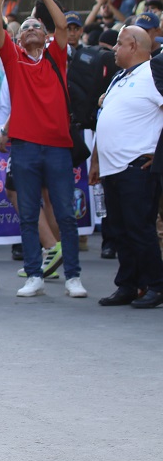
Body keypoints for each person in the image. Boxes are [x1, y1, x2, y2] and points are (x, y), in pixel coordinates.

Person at [0, 0, 86, 299]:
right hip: (26, 147)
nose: (31, 28)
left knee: (65, 215)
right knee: (29, 215)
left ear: (45, 37)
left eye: (37, 26)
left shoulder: (55, 57)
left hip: (58, 147)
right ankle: (34, 275)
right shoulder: (14, 60)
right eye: (26, 27)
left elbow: (62, 24)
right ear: (19, 39)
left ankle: (73, 276)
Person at [90, 27, 163, 308]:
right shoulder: (119, 78)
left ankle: (156, 284)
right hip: (111, 167)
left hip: (136, 168)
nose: (114, 50)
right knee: (119, 230)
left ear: (133, 46)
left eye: (119, 44)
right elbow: (105, 117)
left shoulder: (153, 74)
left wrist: (159, 154)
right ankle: (129, 284)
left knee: (139, 229)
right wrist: (96, 159)